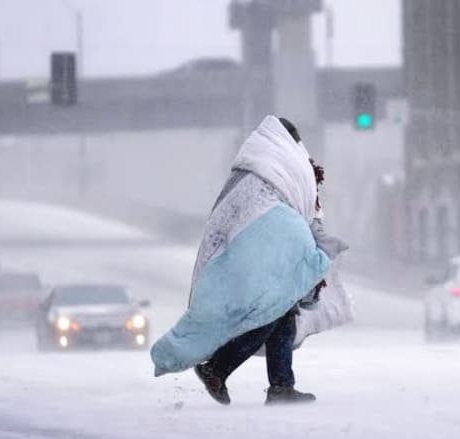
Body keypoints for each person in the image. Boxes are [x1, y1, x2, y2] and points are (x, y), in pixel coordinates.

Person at [150, 115, 351, 405]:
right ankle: (217, 368)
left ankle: (281, 386)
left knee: (282, 313)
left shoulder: (253, 171)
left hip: (251, 255)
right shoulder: (274, 169)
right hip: (259, 255)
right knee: (269, 312)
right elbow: (284, 210)